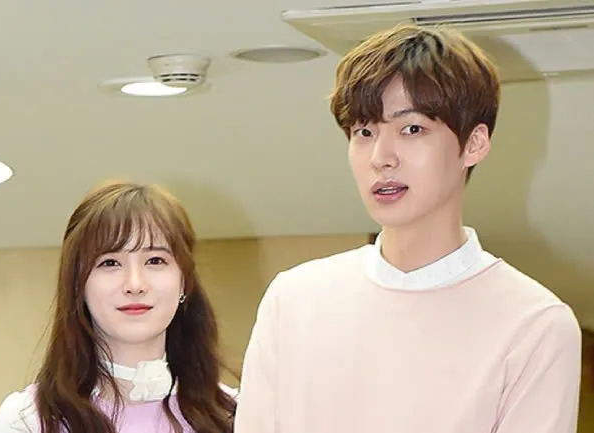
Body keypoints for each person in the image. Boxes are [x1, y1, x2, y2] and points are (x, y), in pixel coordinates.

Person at [234, 23, 582, 433]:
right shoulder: (293, 301)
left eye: (412, 129)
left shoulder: (534, 325)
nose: (381, 157)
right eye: (364, 132)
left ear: (474, 143)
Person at [0, 181, 237, 433]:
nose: (135, 284)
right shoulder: (27, 420)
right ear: (77, 284)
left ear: (184, 281)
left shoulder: (235, 415)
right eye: (109, 263)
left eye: (155, 260)